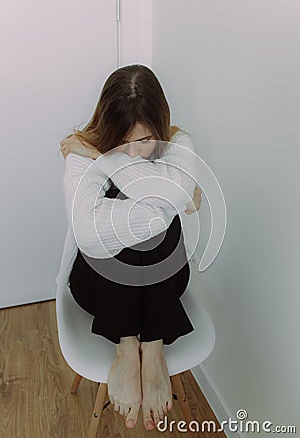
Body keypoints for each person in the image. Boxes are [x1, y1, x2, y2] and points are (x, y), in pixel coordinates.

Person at [58, 64, 202, 431]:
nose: (134, 153)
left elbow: (167, 204)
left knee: (150, 228)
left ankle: (150, 347)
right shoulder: (80, 154)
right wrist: (170, 196)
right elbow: (90, 235)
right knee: (144, 225)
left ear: (160, 126)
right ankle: (128, 345)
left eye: (144, 141)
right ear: (107, 129)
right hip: (98, 288)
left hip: (166, 282)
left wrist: (105, 160)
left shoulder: (177, 143)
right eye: (122, 141)